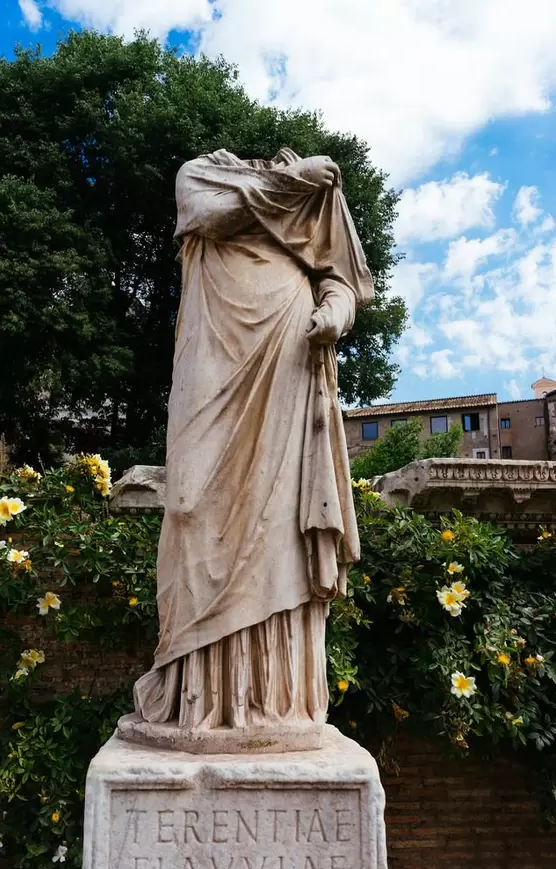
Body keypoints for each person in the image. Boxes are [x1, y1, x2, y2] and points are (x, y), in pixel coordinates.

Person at [133, 148, 374, 732]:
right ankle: (197, 695)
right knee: (189, 505)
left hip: (288, 356)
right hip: (212, 357)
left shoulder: (318, 196)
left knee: (280, 528)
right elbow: (208, 218)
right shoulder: (199, 171)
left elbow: (343, 279)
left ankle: (274, 704)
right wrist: (291, 180)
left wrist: (335, 315)